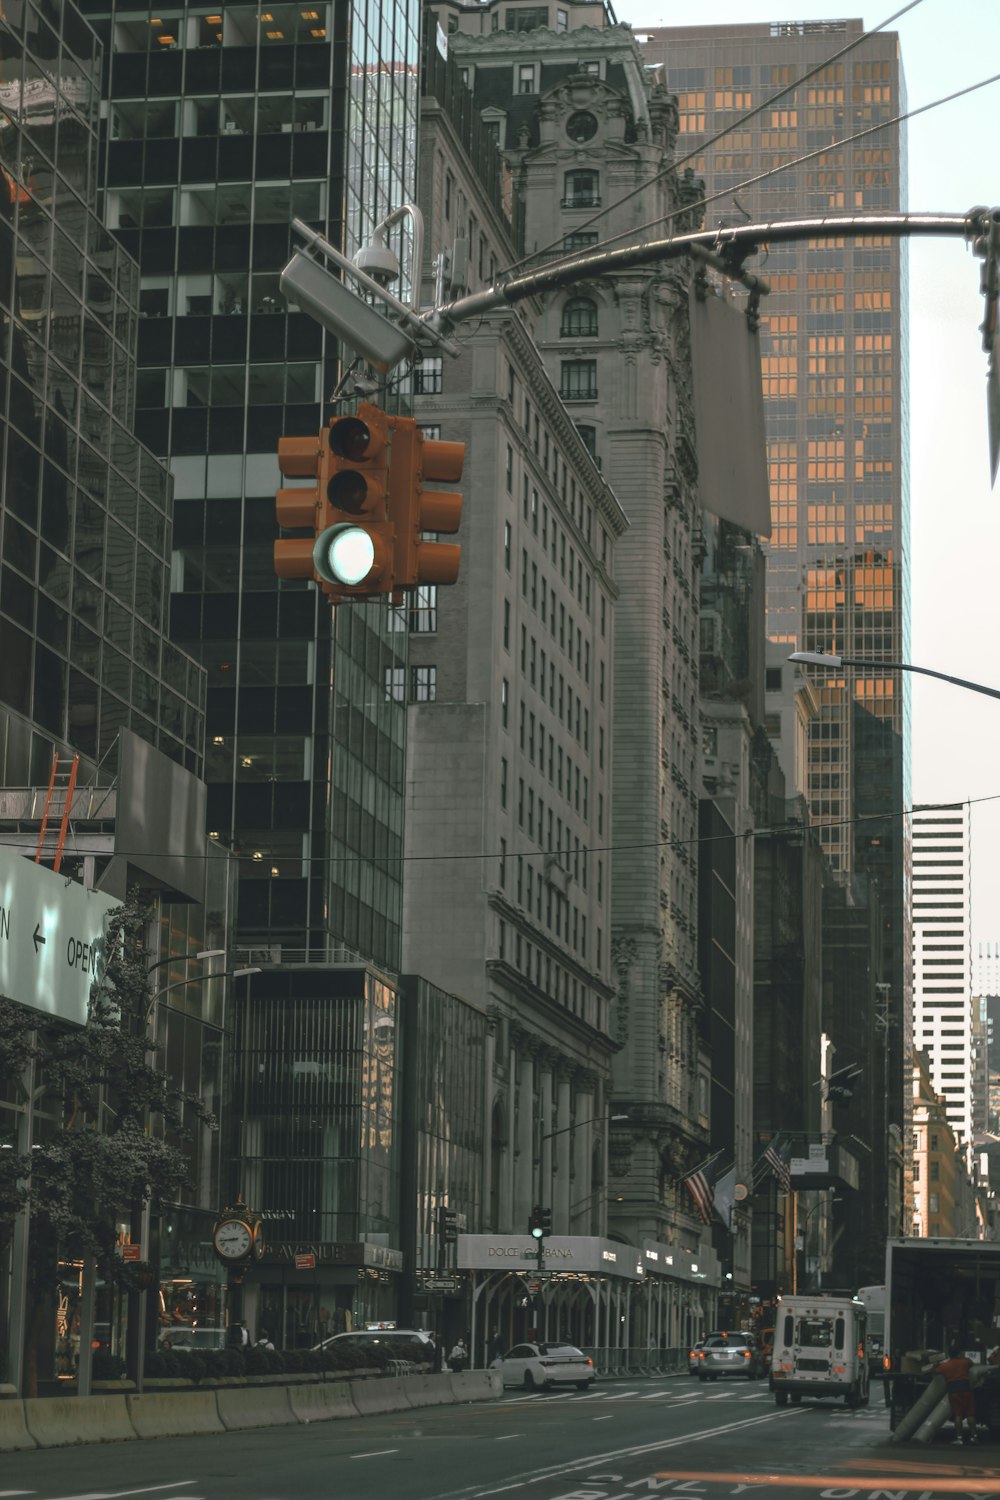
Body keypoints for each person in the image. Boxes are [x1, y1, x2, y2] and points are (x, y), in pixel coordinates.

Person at [934, 1344, 977, 1444]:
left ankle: (959, 1438)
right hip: (966, 1389)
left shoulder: (945, 1365)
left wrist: (937, 1364)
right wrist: (963, 1357)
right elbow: (971, 1363)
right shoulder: (964, 1363)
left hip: (954, 1391)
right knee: (970, 1414)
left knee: (958, 1415)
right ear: (959, 1353)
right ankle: (974, 1437)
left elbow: (935, 1370)